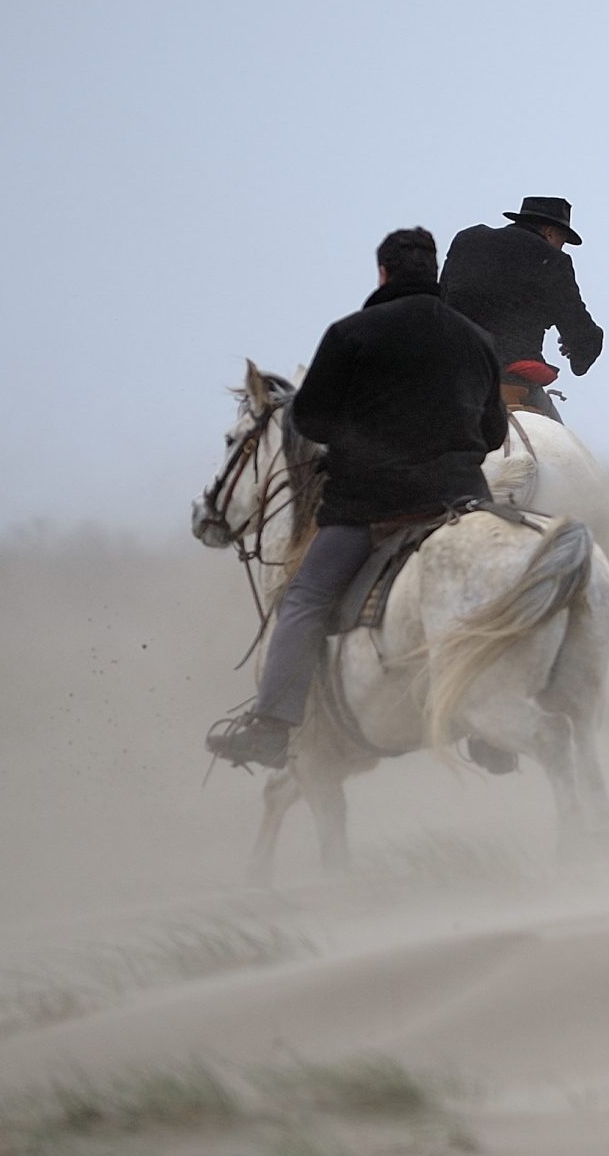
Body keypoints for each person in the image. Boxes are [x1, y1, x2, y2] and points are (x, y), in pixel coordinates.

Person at [206, 228, 507, 770]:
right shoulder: (477, 339)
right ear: (432, 272)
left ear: (383, 273)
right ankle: (495, 728)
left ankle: (272, 726)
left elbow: (310, 419)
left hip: (372, 506)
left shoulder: (351, 334)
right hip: (463, 503)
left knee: (303, 600)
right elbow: (491, 434)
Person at [441, 196, 604, 424]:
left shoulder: (467, 239)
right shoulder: (552, 260)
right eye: (562, 240)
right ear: (549, 232)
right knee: (560, 443)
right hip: (509, 378)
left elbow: (442, 299)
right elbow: (581, 331)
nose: (562, 247)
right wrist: (581, 347)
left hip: (451, 372)